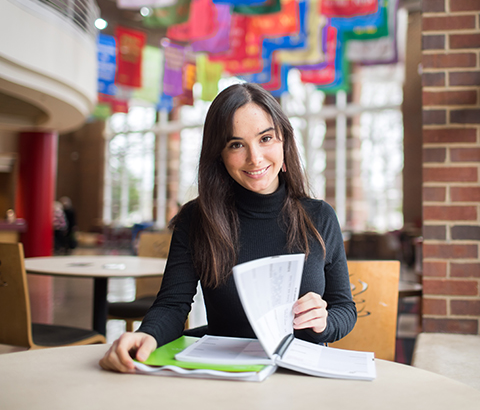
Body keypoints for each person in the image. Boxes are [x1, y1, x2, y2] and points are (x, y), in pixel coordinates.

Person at [100, 82, 356, 373]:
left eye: (266, 138)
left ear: (283, 140)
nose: (255, 158)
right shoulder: (197, 218)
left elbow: (344, 309)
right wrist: (146, 335)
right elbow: (172, 305)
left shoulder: (320, 216)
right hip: (223, 374)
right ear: (219, 155)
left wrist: (324, 323)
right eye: (236, 144)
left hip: (299, 375)